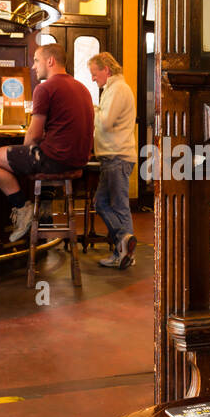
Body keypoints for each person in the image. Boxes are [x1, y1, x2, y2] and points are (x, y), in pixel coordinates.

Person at [0, 42, 94, 244]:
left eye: (36, 60)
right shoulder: (82, 88)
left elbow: (32, 137)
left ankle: (23, 209)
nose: (33, 66)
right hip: (78, 162)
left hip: (55, 161)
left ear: (50, 61)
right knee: (29, 154)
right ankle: (43, 208)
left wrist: (23, 155)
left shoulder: (45, 88)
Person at [89, 51, 137, 269]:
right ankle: (125, 246)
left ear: (106, 70)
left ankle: (124, 245)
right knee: (102, 203)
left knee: (117, 205)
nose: (92, 78)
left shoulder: (117, 89)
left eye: (94, 73)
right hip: (113, 155)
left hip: (118, 155)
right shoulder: (113, 89)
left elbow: (106, 122)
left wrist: (92, 109)